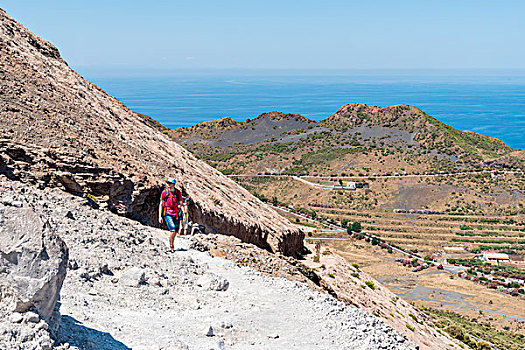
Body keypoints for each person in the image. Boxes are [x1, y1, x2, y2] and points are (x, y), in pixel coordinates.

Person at [159, 177, 183, 251]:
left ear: (174, 184)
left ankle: (171, 241)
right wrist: (160, 216)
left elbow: (181, 202)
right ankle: (171, 246)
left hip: (176, 213)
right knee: (172, 229)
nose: (168, 185)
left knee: (175, 230)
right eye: (167, 183)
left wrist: (180, 206)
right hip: (167, 212)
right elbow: (161, 204)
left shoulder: (178, 193)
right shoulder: (164, 192)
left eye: (170, 183)